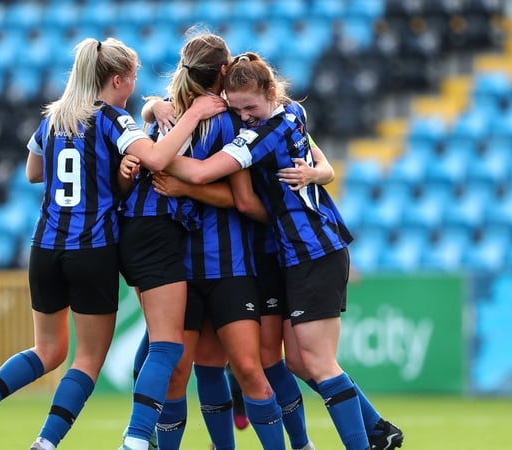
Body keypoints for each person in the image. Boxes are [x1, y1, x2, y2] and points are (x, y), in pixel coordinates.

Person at [0, 37, 225, 450]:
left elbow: (35, 171)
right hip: (92, 248)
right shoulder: (112, 119)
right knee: (87, 360)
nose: (136, 86)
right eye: (134, 79)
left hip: (45, 247)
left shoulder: (54, 119)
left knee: (46, 350)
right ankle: (46, 443)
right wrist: (193, 114)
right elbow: (157, 160)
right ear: (118, 80)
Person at [162, 52, 404, 450]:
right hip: (290, 253)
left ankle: (367, 440)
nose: (244, 117)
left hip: (311, 250)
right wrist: (156, 106)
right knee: (291, 362)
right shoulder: (289, 111)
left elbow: (204, 174)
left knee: (317, 363)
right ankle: (374, 428)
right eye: (236, 108)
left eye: (250, 107)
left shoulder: (266, 131)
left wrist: (161, 162)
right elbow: (322, 161)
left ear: (270, 93)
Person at [121, 29, 286, 450]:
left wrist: (180, 184)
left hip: (230, 263)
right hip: (179, 264)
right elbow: (149, 114)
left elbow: (239, 197)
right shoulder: (169, 115)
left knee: (247, 368)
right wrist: (153, 106)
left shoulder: (236, 120)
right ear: (224, 70)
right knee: (184, 371)